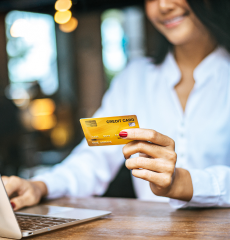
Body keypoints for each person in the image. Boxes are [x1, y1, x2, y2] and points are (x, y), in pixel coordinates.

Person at [3, 0, 230, 211]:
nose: (163, 5)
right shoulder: (134, 78)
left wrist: (183, 182)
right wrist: (40, 186)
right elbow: (94, 159)